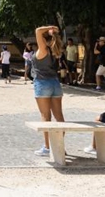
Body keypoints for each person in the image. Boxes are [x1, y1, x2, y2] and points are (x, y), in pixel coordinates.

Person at [31, 25, 65, 157]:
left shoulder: (43, 50)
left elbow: (38, 30)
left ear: (43, 40)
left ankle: (47, 147)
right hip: (55, 83)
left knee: (45, 116)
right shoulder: (54, 51)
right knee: (59, 116)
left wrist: (50, 27)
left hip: (42, 83)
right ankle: (60, 145)